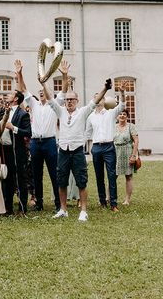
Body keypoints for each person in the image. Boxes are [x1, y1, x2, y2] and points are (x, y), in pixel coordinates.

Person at [47, 60, 110, 222]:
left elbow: (95, 101)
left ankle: (83, 210)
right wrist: (49, 81)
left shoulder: (82, 112)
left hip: (77, 151)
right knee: (61, 181)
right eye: (67, 99)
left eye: (72, 100)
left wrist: (105, 88)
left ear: (77, 101)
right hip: (63, 151)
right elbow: (50, 100)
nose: (69, 102)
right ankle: (63, 209)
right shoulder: (60, 111)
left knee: (81, 181)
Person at [14, 59, 61, 212]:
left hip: (49, 142)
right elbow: (23, 89)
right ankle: (39, 202)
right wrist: (20, 73)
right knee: (36, 174)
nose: (41, 93)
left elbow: (65, 89)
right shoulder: (33, 104)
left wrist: (46, 82)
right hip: (36, 143)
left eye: (44, 92)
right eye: (39, 92)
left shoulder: (54, 105)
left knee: (54, 174)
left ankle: (59, 203)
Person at [85, 84, 126, 211]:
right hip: (96, 148)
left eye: (101, 98)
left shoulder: (111, 113)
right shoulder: (90, 117)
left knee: (111, 175)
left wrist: (122, 93)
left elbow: (122, 106)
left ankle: (113, 203)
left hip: (109, 147)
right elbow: (87, 133)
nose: (99, 100)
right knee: (99, 176)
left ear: (104, 101)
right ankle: (102, 201)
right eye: (96, 98)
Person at [2, 87, 32, 216]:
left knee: (20, 179)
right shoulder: (3, 112)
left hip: (18, 151)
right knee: (7, 179)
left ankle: (22, 208)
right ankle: (8, 208)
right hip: (5, 150)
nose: (7, 95)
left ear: (16, 99)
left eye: (10, 94)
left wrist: (13, 128)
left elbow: (28, 132)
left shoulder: (23, 114)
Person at [114, 109, 139, 205]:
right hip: (115, 152)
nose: (122, 116)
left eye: (124, 114)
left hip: (127, 152)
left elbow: (136, 141)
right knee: (112, 176)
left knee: (128, 176)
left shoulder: (131, 126)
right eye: (120, 114)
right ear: (117, 117)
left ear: (127, 116)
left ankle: (127, 200)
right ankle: (109, 198)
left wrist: (133, 155)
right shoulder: (113, 126)